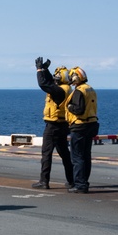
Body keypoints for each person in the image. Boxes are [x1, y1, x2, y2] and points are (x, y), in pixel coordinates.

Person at [32, 58, 74, 189]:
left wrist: (39, 71)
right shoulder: (66, 89)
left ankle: (44, 181)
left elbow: (44, 84)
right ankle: (71, 180)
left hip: (53, 125)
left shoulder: (59, 91)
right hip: (62, 125)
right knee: (65, 154)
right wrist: (45, 70)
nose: (55, 79)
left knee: (46, 153)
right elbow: (50, 82)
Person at [65, 66, 99, 193]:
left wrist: (69, 106)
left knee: (77, 156)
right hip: (91, 124)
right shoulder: (90, 89)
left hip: (79, 125)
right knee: (86, 155)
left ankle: (80, 184)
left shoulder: (79, 91)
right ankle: (84, 181)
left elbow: (78, 109)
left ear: (76, 77)